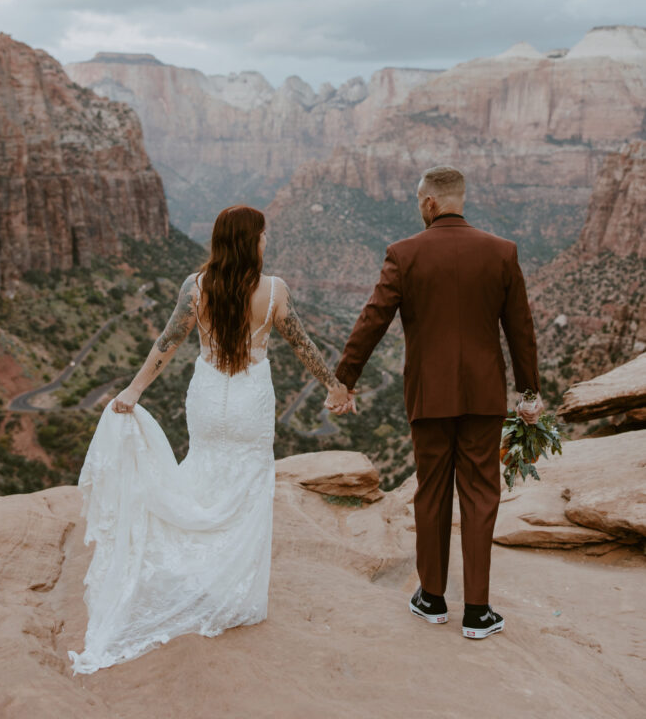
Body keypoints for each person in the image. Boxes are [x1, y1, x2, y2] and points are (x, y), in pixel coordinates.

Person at [68, 205, 352, 674]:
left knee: (201, 473)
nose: (266, 243)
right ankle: (232, 592)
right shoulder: (274, 291)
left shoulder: (195, 287)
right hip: (250, 400)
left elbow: (168, 342)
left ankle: (192, 575)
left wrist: (134, 391)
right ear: (250, 241)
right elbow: (302, 344)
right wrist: (334, 386)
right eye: (262, 236)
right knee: (247, 488)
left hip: (206, 398)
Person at [334, 165, 543, 640]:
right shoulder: (502, 252)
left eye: (418, 199)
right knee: (480, 495)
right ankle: (478, 611)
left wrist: (345, 380)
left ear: (430, 202)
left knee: (431, 491)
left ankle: (430, 598)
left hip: (428, 395)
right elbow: (521, 332)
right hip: (484, 395)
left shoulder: (404, 254)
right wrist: (529, 394)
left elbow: (372, 320)